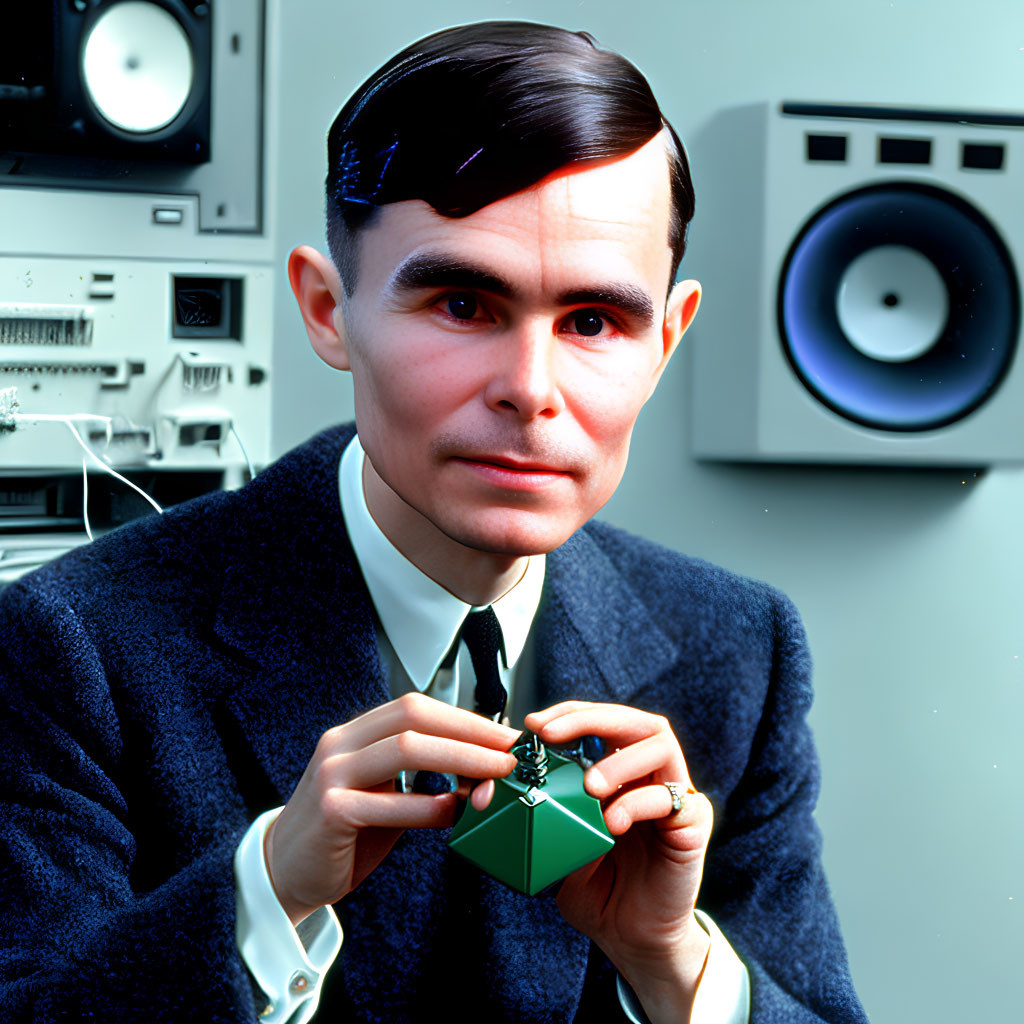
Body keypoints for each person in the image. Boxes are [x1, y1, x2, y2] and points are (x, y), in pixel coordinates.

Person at [0, 21, 866, 1024]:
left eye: (592, 323)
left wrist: (670, 961)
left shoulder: (737, 648)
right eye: (462, 303)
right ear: (328, 310)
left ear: (666, 338)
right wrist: (264, 896)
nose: (529, 390)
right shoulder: (75, 645)